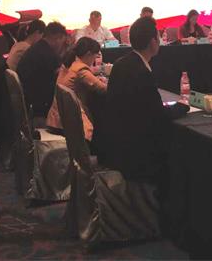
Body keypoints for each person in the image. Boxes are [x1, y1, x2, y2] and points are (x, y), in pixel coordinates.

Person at [99, 17, 189, 192]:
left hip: (118, 144)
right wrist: (182, 106)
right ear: (153, 42)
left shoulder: (121, 63)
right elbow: (157, 116)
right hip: (137, 153)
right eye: (158, 37)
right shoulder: (141, 72)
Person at [46, 37, 107, 141]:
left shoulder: (68, 65)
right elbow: (103, 89)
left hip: (56, 120)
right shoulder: (80, 69)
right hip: (72, 123)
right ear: (88, 54)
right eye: (95, 56)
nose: (95, 60)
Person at [17, 21, 68, 117]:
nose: (62, 45)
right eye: (63, 42)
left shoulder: (37, 48)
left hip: (26, 98)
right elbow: (63, 80)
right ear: (58, 38)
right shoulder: (49, 55)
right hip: (38, 103)